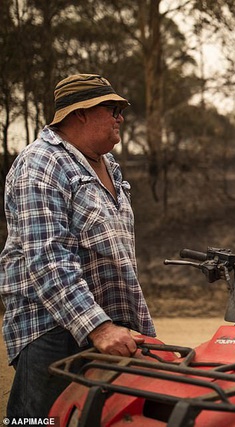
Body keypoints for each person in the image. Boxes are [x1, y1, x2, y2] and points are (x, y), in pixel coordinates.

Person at [0, 74, 156, 417]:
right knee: (37, 420)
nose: (121, 117)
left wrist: (114, 325)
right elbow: (48, 258)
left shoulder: (108, 164)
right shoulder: (39, 164)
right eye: (112, 108)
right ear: (80, 113)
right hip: (53, 329)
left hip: (107, 326)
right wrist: (97, 327)